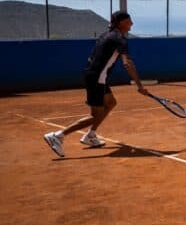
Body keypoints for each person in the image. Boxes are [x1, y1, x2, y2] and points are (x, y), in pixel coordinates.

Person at [43, 11, 148, 157]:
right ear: (122, 23)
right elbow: (127, 63)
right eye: (129, 21)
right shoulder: (119, 39)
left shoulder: (106, 35)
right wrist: (140, 86)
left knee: (111, 103)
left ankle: (90, 135)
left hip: (96, 76)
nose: (132, 24)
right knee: (95, 115)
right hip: (96, 78)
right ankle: (58, 135)